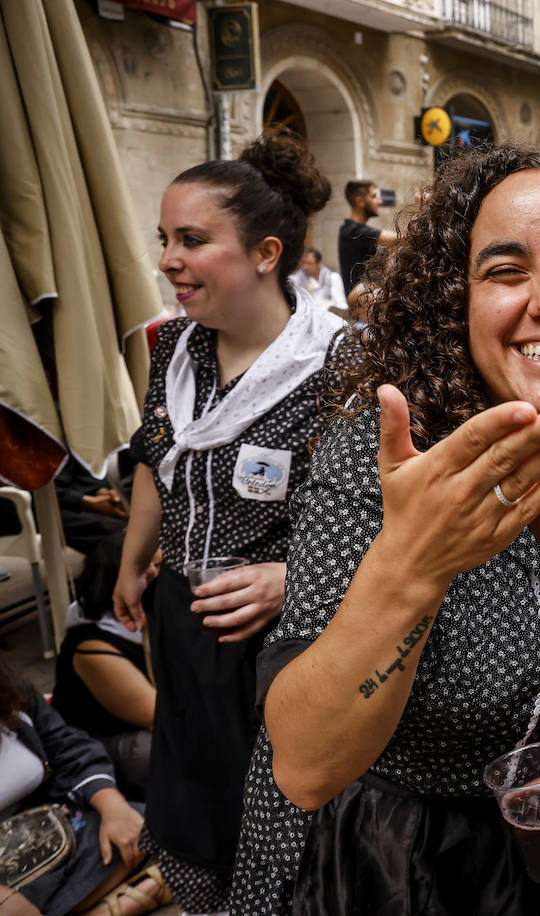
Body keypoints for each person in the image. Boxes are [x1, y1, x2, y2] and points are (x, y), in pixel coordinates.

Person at [230, 142, 540, 915]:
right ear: (452, 299)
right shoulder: (384, 456)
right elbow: (305, 763)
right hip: (387, 868)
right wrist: (414, 564)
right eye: (505, 272)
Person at [111, 128, 343, 914]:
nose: (169, 259)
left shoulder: (339, 364)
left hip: (282, 641)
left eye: (192, 240)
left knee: (287, 820)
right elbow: (156, 460)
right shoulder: (172, 346)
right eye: (165, 240)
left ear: (266, 253)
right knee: (198, 808)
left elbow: (376, 520)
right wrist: (134, 558)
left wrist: (294, 579)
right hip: (183, 622)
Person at [0, 657, 167, 916]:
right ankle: (118, 905)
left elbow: (66, 748)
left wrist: (112, 805)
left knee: (159, 830)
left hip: (44, 833)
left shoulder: (10, 691)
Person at [51, 533, 156, 801]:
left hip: (142, 724)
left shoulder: (154, 615)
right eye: (149, 571)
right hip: (99, 743)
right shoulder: (94, 646)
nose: (159, 576)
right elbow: (158, 716)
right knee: (163, 747)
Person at [338, 179, 398, 292]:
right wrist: (421, 207)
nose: (379, 201)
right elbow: (401, 238)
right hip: (361, 303)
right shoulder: (353, 230)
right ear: (360, 201)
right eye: (374, 196)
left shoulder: (351, 229)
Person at [288, 247, 347, 314]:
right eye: (304, 263)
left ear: (318, 263)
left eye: (309, 263)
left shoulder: (332, 277)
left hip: (331, 315)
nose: (305, 267)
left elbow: (341, 304)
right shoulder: (298, 278)